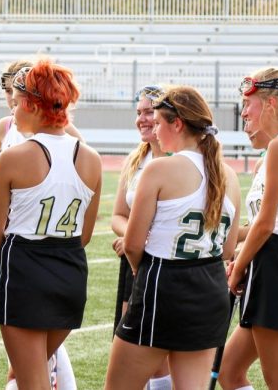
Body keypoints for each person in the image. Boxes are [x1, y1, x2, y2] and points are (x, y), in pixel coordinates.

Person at [104, 85, 241, 389]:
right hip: (211, 288)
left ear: (176, 124)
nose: (153, 127)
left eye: (157, 121)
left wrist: (143, 272)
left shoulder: (159, 169)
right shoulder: (228, 174)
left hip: (165, 285)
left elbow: (133, 244)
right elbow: (229, 248)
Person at [0, 60, 102, 390]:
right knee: (38, 372)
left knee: (31, 381)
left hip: (25, 270)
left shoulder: (14, 156)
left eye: (16, 100)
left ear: (30, 104)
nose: (13, 108)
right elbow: (85, 235)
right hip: (70, 272)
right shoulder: (91, 158)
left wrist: (13, 267)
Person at [219, 68, 278, 390]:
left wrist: (236, 268)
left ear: (271, 103)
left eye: (249, 104)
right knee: (230, 372)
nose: (243, 112)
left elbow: (267, 224)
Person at [109, 85, 172, 390]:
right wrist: (134, 236)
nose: (142, 119)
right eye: (139, 113)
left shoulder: (182, 159)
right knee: (131, 347)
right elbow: (118, 216)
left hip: (169, 262)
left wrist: (141, 237)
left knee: (162, 354)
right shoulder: (135, 160)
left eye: (149, 112)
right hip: (135, 262)